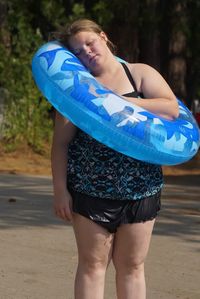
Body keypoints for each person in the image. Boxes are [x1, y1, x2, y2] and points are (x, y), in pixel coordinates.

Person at [51, 19, 179, 299]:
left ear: (104, 37)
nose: (87, 52)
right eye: (79, 52)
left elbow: (171, 110)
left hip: (141, 189)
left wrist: (124, 101)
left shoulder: (138, 74)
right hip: (89, 189)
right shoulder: (76, 89)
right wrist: (60, 191)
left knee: (132, 266)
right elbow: (60, 144)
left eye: (90, 43)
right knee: (92, 265)